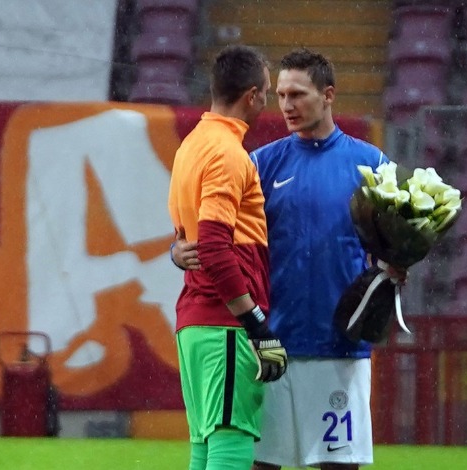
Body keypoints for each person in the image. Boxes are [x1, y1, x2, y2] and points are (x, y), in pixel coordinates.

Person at [173, 48, 399, 469]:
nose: (287, 105)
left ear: (328, 95)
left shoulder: (373, 166)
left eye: (298, 94)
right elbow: (207, 227)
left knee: (339, 465)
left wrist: (398, 265)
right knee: (258, 463)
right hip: (271, 343)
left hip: (339, 345)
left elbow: (395, 242)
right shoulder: (260, 163)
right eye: (280, 95)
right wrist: (176, 250)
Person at [167, 44, 288, 470]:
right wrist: (255, 323)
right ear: (252, 95)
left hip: (194, 326)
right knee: (231, 437)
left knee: (205, 444)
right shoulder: (227, 154)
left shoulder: (191, 147)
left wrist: (174, 253)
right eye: (268, 93)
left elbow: (186, 239)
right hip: (225, 325)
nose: (269, 102)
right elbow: (217, 246)